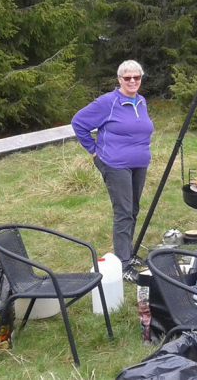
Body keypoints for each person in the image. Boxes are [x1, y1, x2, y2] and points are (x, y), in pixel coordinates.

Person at [72, 60, 154, 283]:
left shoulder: (141, 101)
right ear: (119, 79)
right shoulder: (108, 102)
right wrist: (93, 151)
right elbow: (78, 122)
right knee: (123, 212)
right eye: (127, 78)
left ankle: (128, 253)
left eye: (136, 77)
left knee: (133, 209)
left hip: (139, 163)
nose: (132, 81)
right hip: (115, 163)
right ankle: (123, 264)